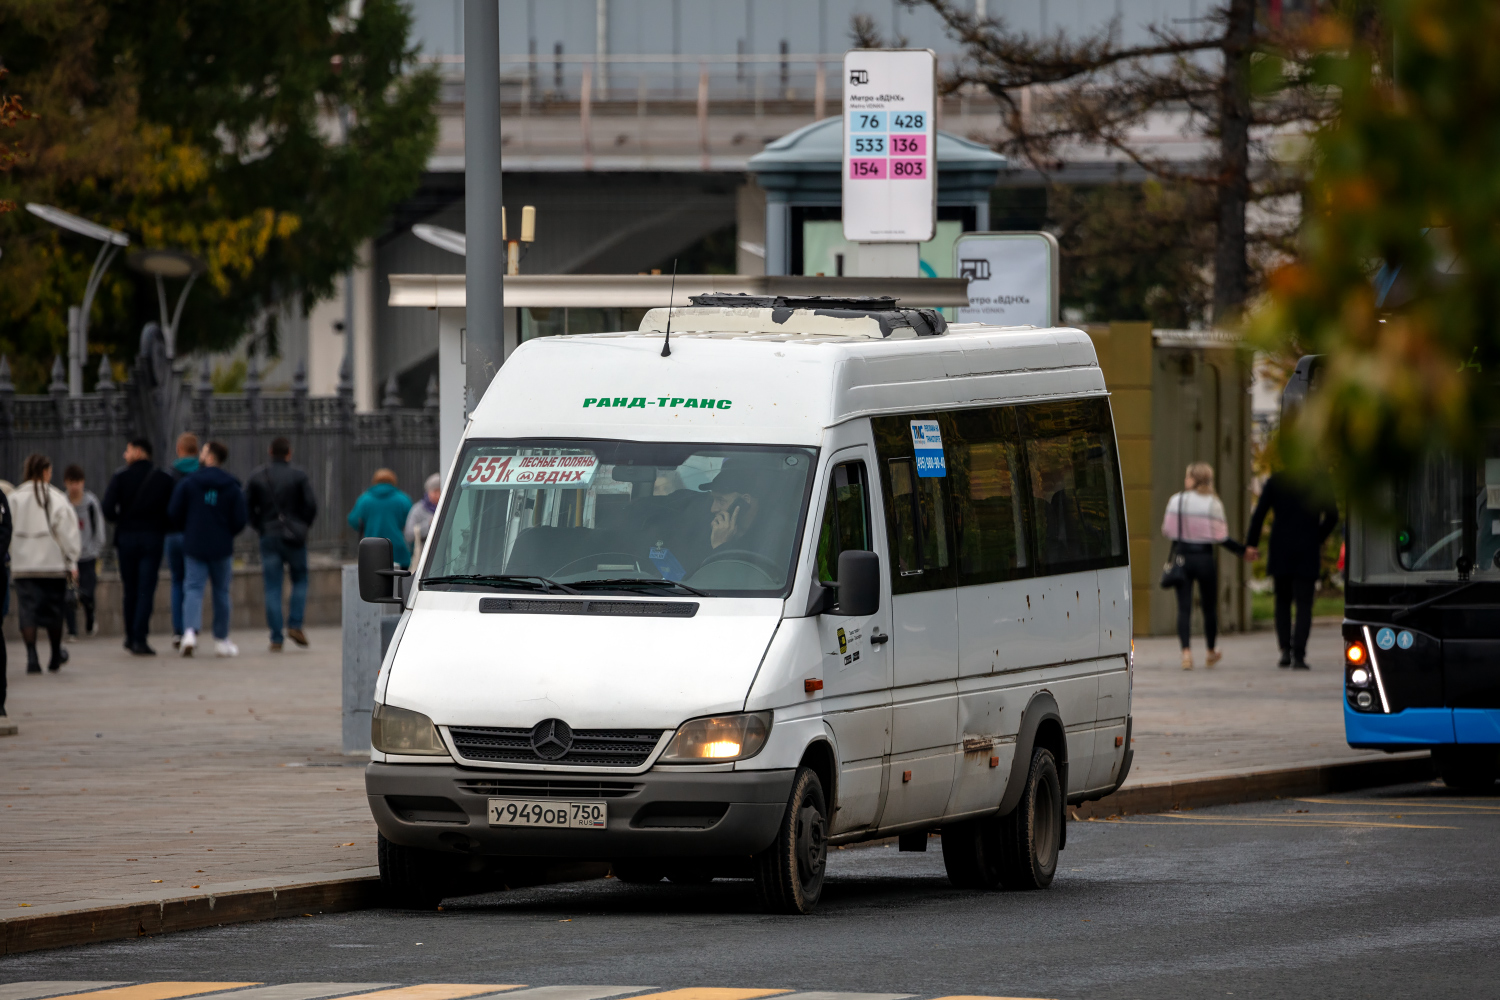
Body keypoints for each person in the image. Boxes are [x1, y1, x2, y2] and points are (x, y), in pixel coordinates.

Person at [1245, 471, 1340, 670]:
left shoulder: (1277, 480)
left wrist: (1251, 543)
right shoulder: (1319, 480)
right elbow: (1333, 516)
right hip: (1307, 548)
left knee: (1282, 601)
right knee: (1304, 603)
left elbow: (1260, 513)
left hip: (1281, 547)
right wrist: (1317, 537)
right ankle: (1299, 654)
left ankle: (1285, 650)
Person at [1162, 462, 1248, 670]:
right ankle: (1210, 652)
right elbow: (1221, 537)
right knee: (1209, 607)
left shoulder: (1177, 500)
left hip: (1183, 558)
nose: (1185, 480)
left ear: (1193, 479)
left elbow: (1168, 530)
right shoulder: (1213, 503)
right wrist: (1242, 551)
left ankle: (1186, 654)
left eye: (1187, 476)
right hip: (1204, 558)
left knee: (1184, 608)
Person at [168, 440, 248, 657]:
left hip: (195, 543)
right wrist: (227, 532)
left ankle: (189, 633)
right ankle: (221, 640)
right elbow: (241, 518)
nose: (200, 455)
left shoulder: (190, 482)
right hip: (221, 546)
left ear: (211, 457)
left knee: (193, 588)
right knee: (221, 591)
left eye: (203, 452)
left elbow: (174, 511)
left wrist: (189, 528)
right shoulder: (231, 485)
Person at [101, 437, 175, 656]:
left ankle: (129, 636)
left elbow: (107, 508)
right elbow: (172, 510)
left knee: (130, 589)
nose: (125, 455)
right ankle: (140, 637)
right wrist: (160, 525)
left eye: (129, 450)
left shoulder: (121, 477)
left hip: (126, 539)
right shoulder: (163, 478)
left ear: (140, 452)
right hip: (152, 539)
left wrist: (122, 521)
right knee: (145, 590)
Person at [10, 454, 81, 673]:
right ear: (45, 472)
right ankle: (54, 655)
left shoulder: (15, 498)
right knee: (54, 611)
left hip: (23, 566)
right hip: (52, 565)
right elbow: (67, 533)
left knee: (27, 611)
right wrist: (72, 559)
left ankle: (32, 656)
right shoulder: (57, 498)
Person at [247, 437, 317, 652]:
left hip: (269, 536)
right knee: (300, 579)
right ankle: (295, 624)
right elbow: (311, 505)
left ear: (270, 451)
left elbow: (247, 507)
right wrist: (301, 525)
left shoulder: (258, 476)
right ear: (289, 452)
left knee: (272, 587)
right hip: (294, 537)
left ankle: (276, 637)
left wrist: (261, 526)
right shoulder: (299, 475)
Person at [165, 432, 200, 649]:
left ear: (179, 450)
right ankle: (191, 628)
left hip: (172, 534)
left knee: (177, 581)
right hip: (195, 534)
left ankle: (178, 631)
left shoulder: (170, 475)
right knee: (194, 583)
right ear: (197, 451)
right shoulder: (202, 474)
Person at [63, 465, 103, 639]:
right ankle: (72, 629)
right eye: (71, 482)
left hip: (88, 556)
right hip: (68, 557)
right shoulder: (62, 503)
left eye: (78, 482)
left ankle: (90, 617)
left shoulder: (91, 503)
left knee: (88, 592)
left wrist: (95, 550)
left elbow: (99, 530)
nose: (75, 486)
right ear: (66, 483)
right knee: (69, 593)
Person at [348, 468, 413, 567]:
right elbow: (411, 522)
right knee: (399, 577)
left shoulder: (365, 499)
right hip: (398, 551)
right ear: (393, 481)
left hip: (372, 550)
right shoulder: (403, 499)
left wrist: (365, 527)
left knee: (372, 576)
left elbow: (353, 520)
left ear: (375, 481)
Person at [403, 473, 441, 571]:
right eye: (435, 491)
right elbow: (409, 534)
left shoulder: (448, 508)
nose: (438, 495)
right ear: (428, 491)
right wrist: (429, 525)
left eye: (440, 491)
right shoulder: (417, 509)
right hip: (424, 561)